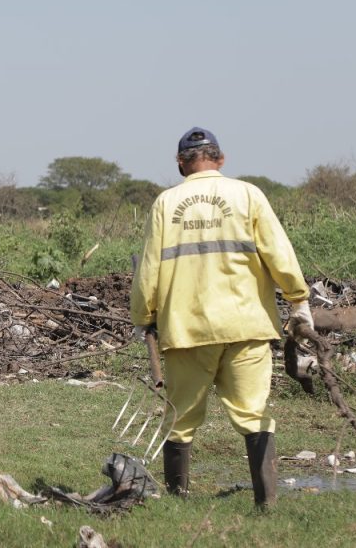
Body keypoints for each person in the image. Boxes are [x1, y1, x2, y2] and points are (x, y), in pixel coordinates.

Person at [129, 127, 313, 508]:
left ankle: (177, 504)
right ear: (221, 159)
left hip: (187, 330)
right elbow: (279, 253)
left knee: (180, 420)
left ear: (180, 163)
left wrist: (143, 315)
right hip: (246, 327)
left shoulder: (165, 203)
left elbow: (148, 271)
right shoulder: (248, 195)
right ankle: (267, 506)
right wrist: (299, 300)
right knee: (253, 414)